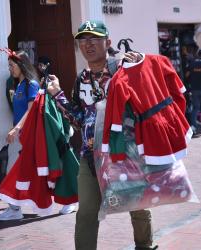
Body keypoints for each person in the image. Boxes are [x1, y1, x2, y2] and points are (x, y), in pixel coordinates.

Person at [46, 20, 158, 250]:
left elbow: (145, 98)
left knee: (137, 205)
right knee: (86, 212)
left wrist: (140, 66)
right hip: (90, 156)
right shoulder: (81, 79)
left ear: (107, 42)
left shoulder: (123, 69)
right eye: (83, 39)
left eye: (95, 38)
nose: (88, 44)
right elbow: (79, 119)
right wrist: (57, 95)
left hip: (123, 152)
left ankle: (145, 246)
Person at [0, 50, 76, 221]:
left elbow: (31, 111)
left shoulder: (31, 84)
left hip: (29, 135)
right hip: (23, 134)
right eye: (9, 65)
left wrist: (16, 129)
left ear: (21, 65)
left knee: (20, 169)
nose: (10, 69)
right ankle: (16, 207)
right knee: (24, 171)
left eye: (12, 65)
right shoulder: (19, 85)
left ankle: (17, 208)